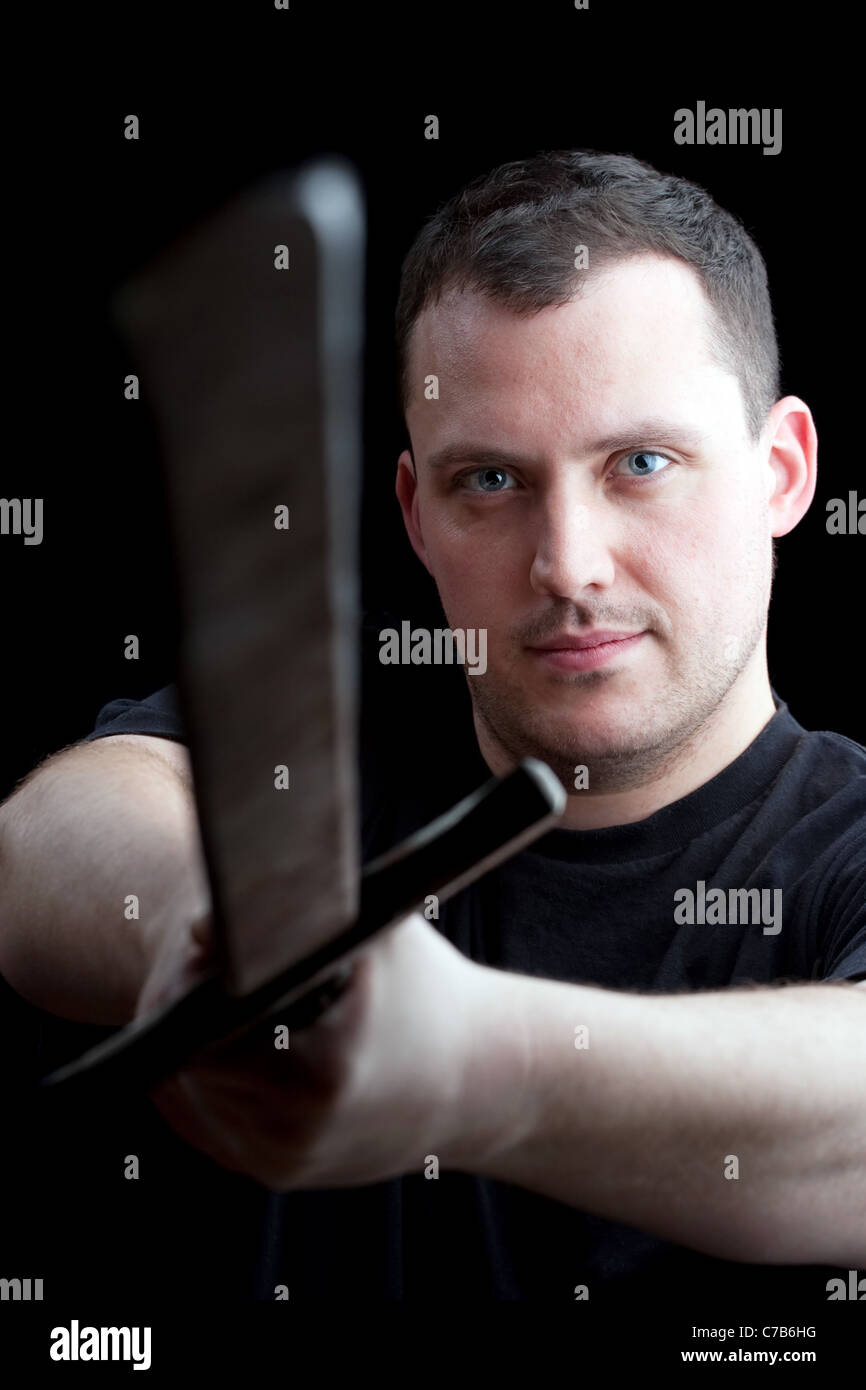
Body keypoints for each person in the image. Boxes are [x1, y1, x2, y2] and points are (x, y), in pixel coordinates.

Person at [1, 149, 863, 1307]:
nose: (567, 565)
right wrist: (219, 929)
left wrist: (469, 1063)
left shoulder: (846, 846)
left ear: (780, 472)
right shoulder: (326, 765)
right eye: (491, 483)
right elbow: (40, 844)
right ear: (414, 511)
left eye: (641, 463)